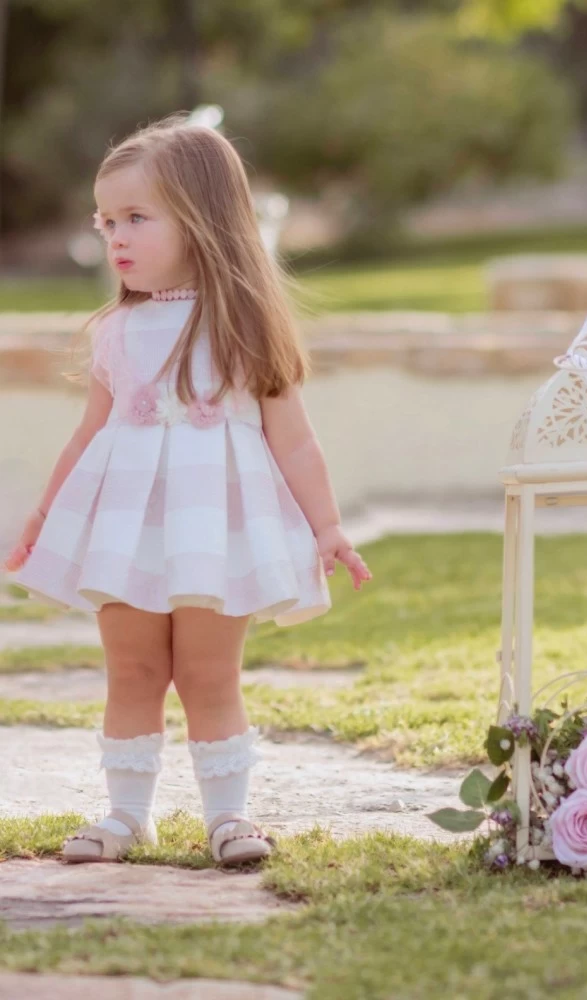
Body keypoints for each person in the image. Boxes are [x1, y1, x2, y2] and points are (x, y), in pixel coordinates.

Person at [2, 113, 372, 866]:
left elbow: (293, 440)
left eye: (136, 217)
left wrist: (326, 528)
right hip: (126, 530)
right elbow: (88, 434)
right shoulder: (115, 332)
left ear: (203, 221)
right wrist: (45, 513)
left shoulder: (245, 327)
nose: (116, 237)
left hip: (214, 533)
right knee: (133, 668)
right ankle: (127, 814)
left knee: (208, 672)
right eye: (106, 221)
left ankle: (229, 816)